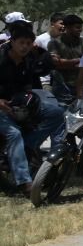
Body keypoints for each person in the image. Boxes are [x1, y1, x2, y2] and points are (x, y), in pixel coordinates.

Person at [0, 21, 66, 191]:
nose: (24, 47)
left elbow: (48, 66)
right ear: (12, 42)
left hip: (20, 105)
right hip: (2, 108)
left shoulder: (30, 58)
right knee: (14, 134)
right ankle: (24, 182)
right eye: (21, 43)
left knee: (57, 113)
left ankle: (29, 146)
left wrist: (39, 51)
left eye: (28, 43)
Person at [43, 13, 83, 106]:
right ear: (68, 28)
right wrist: (78, 60)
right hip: (62, 87)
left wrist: (65, 62)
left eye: (81, 27)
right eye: (77, 27)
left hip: (81, 87)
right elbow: (56, 63)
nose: (80, 30)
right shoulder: (54, 43)